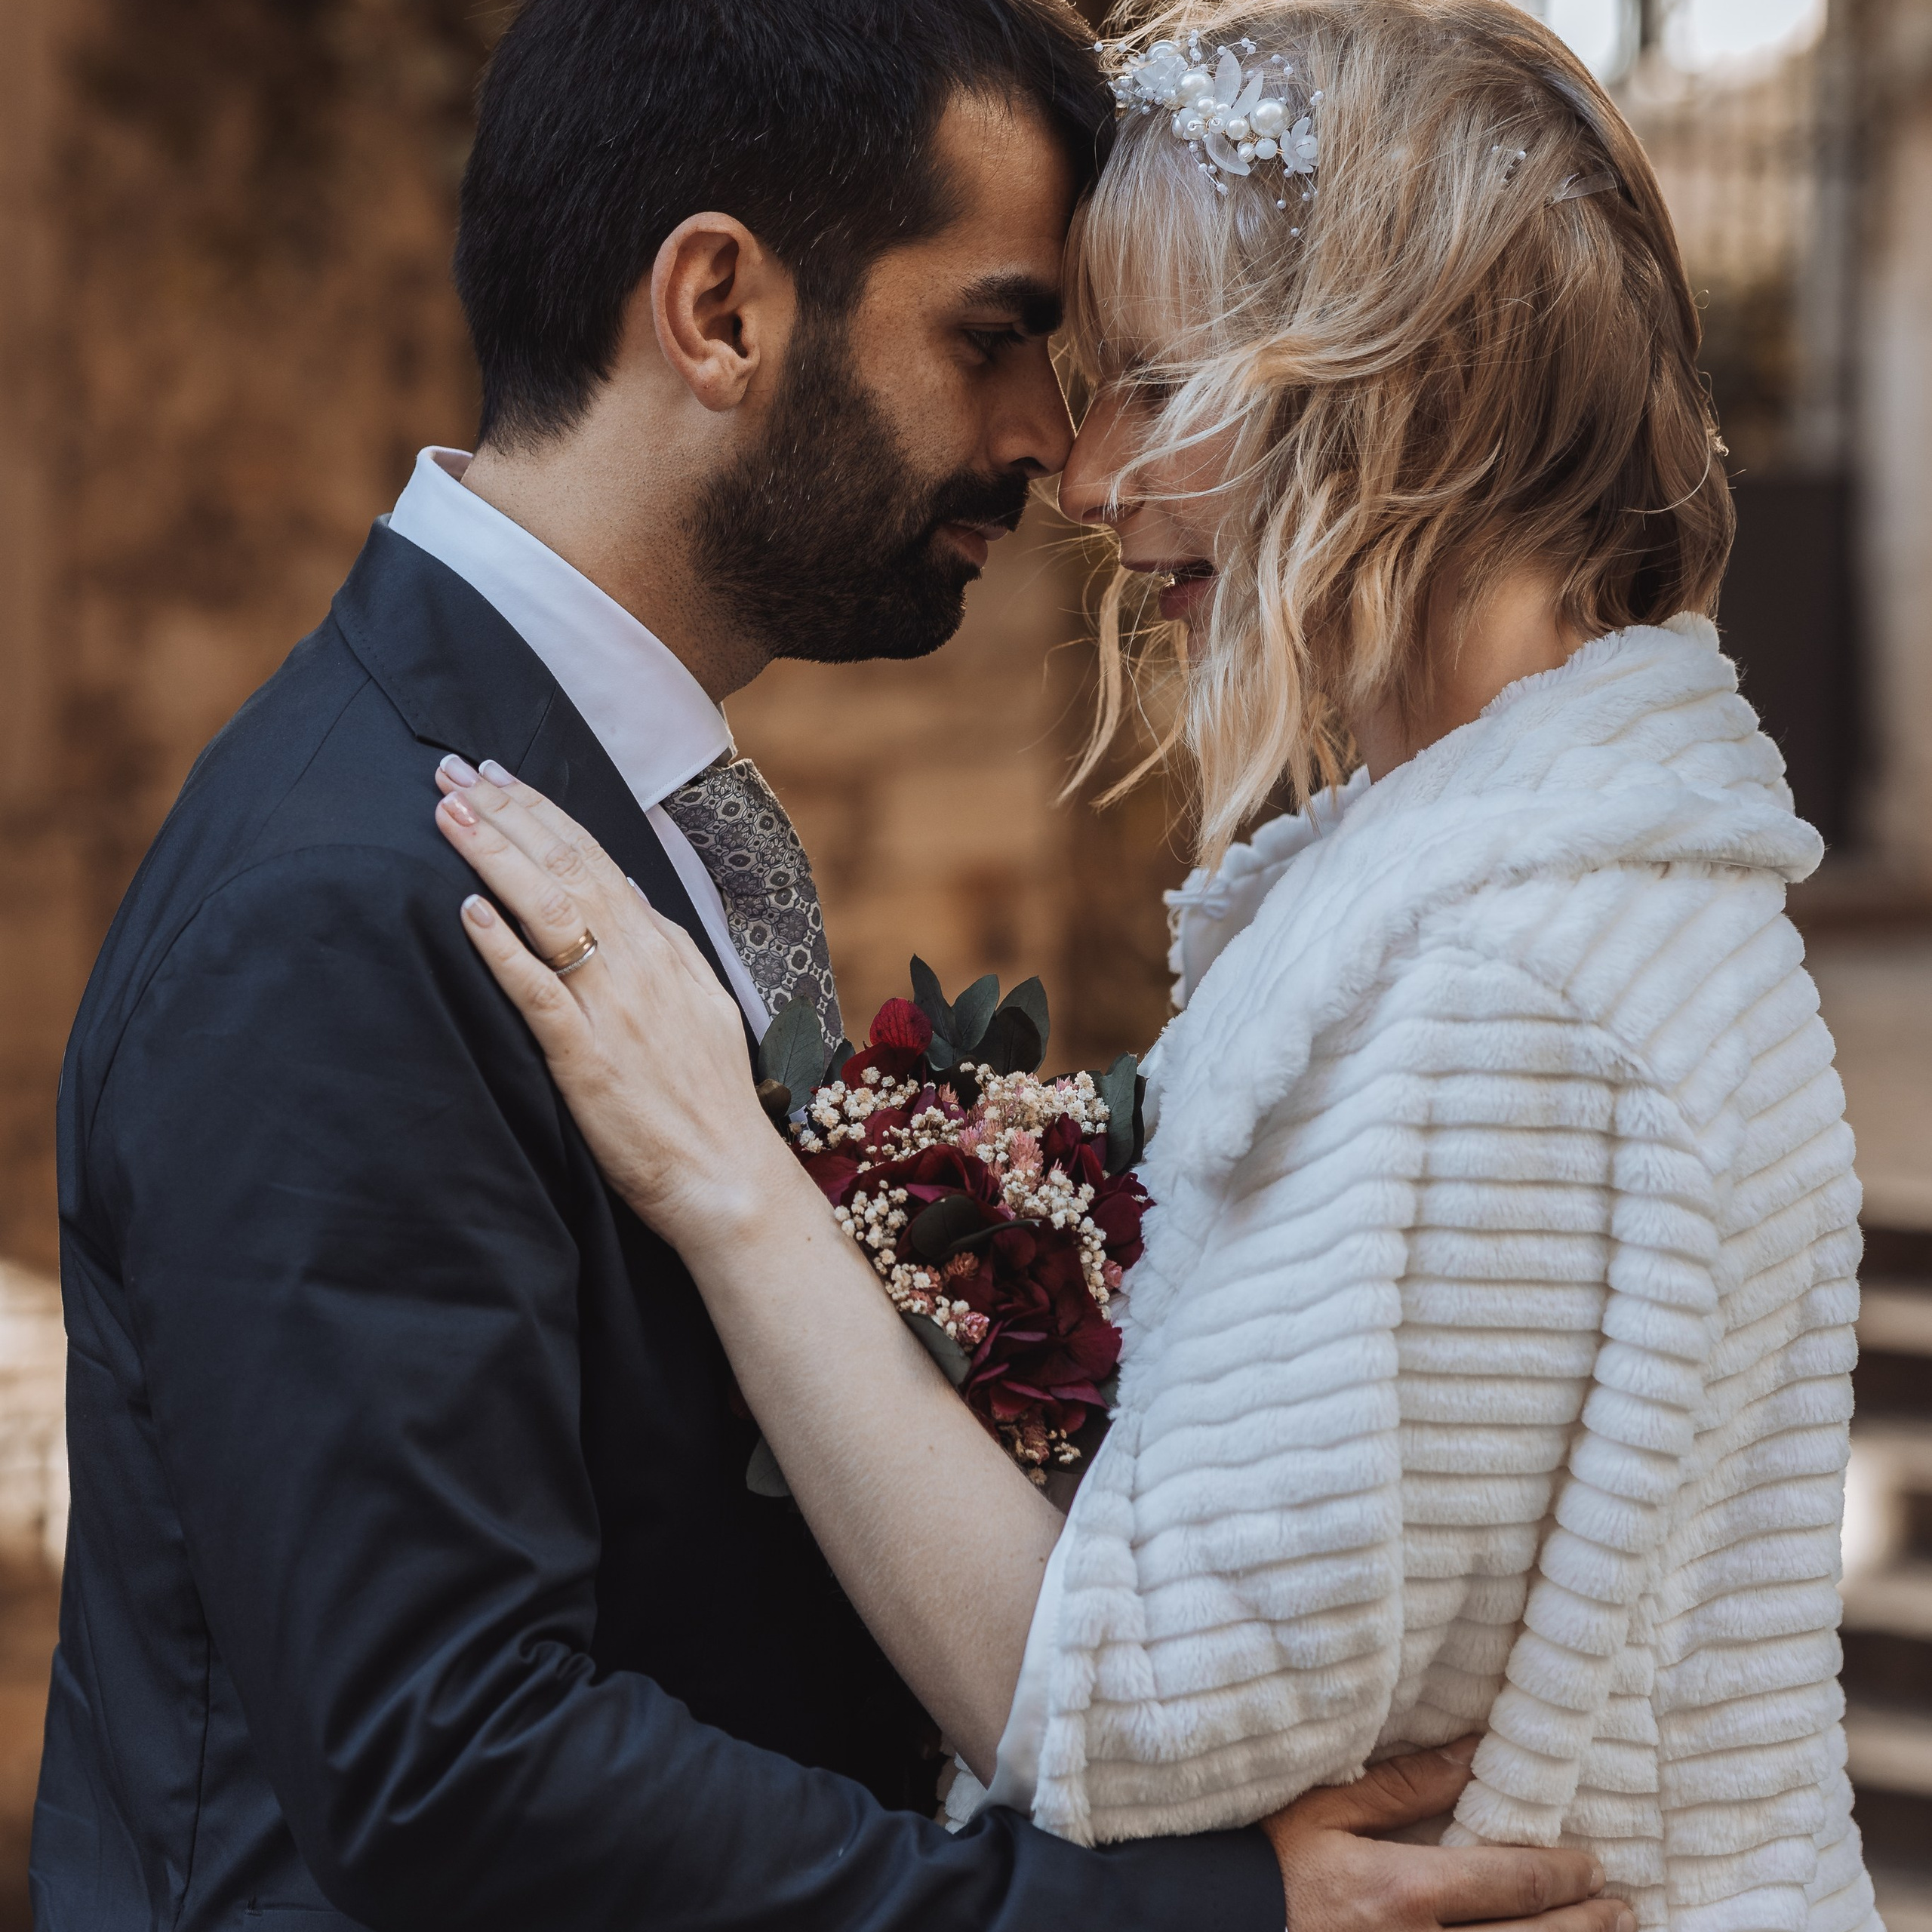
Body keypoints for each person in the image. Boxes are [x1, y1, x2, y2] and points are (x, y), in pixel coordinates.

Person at [31, 2, 1632, 1929]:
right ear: (718, 310)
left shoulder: (585, 786)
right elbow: (445, 1754)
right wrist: (1169, 1911)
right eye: (991, 337)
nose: (1051, 443)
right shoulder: (340, 904)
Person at [428, 3, 1879, 1930]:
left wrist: (726, 1184)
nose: (1087, 476)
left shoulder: (1493, 989)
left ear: (1393, 393)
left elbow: (1119, 1713)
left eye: (1156, 383)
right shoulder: (1557, 893)